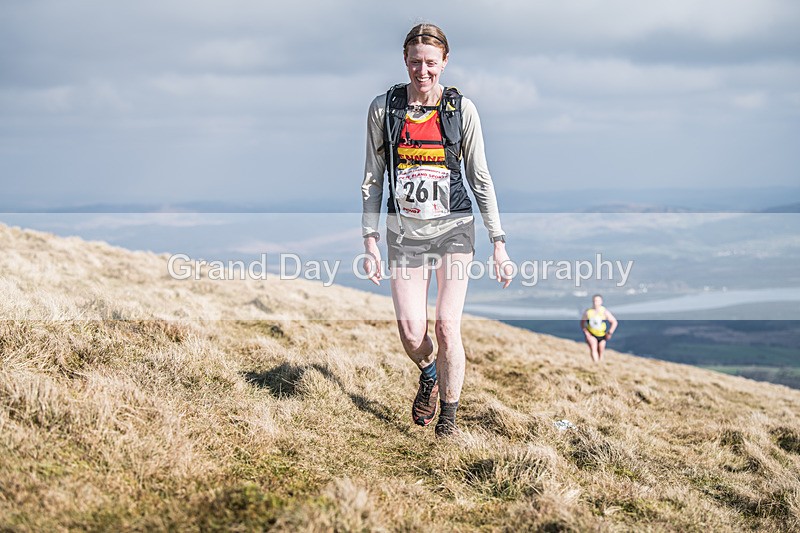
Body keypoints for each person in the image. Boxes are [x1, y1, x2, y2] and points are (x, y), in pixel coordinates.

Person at [360, 23, 513, 437]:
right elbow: (374, 178)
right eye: (415, 62)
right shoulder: (384, 108)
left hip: (454, 228)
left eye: (431, 63)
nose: (422, 71)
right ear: (404, 61)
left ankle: (448, 416)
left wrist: (499, 244)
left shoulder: (461, 111)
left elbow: (480, 178)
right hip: (404, 232)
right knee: (412, 333)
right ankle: (428, 372)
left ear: (445, 62)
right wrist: (370, 240)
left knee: (447, 324)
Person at [581, 294, 618, 363]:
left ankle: (600, 366)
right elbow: (582, 323)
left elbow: (614, 322)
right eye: (594, 300)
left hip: (602, 335)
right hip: (591, 334)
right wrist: (586, 333)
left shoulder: (604, 311)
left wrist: (610, 332)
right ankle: (596, 364)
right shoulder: (588, 312)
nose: (596, 302)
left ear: (601, 301)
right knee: (593, 348)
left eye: (598, 301)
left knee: (600, 352)